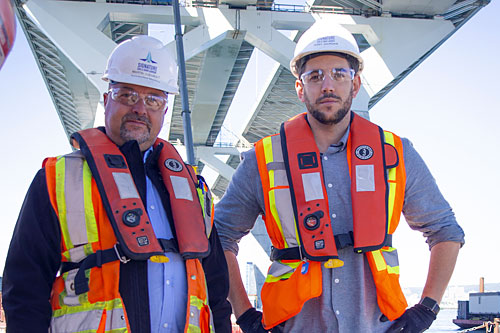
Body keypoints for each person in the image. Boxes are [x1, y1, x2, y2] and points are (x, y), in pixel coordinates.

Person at [214, 20, 465, 333]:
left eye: (339, 74)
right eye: (315, 76)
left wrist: (426, 310)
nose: (327, 85)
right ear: (299, 88)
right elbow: (219, 237)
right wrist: (246, 316)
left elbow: (446, 231)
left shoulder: (396, 155)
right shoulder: (261, 161)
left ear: (355, 85)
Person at [2, 35, 231, 332]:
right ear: (107, 98)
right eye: (127, 95)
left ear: (165, 109)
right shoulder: (57, 179)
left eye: (153, 99)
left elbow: (215, 289)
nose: (140, 108)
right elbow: (24, 287)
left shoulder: (195, 190)